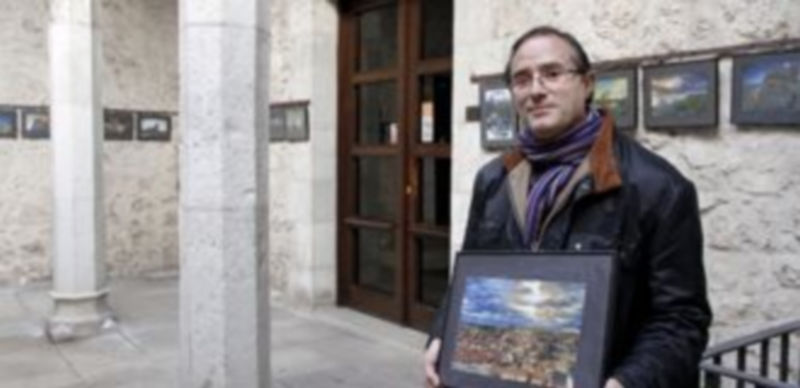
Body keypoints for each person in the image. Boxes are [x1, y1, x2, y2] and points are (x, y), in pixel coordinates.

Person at [423, 26, 712, 388]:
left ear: (587, 84)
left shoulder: (659, 188)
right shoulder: (493, 180)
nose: (536, 90)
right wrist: (442, 334)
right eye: (522, 79)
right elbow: (467, 280)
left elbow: (681, 319)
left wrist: (627, 382)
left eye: (553, 73)